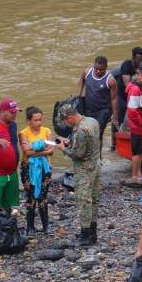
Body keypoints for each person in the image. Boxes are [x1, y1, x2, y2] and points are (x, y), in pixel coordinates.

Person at [56, 104, 101, 246]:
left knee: (84, 202)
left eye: (65, 121)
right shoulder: (92, 121)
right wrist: (71, 142)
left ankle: (85, 235)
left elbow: (78, 154)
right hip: (96, 166)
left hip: (84, 171)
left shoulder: (81, 130)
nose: (65, 124)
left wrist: (63, 148)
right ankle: (93, 233)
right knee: (93, 200)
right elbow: (89, 143)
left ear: (69, 118)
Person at [18, 106, 54, 235]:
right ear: (29, 121)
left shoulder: (47, 131)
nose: (38, 123)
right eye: (35, 120)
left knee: (43, 197)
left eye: (40, 120)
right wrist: (43, 150)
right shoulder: (23, 133)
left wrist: (35, 149)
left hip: (45, 168)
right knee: (31, 196)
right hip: (28, 168)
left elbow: (52, 150)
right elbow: (27, 152)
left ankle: (46, 226)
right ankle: (30, 227)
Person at [77, 55, 119, 155]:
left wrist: (115, 117)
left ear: (106, 68)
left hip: (103, 111)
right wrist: (78, 94)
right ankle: (87, 155)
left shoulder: (111, 80)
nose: (98, 71)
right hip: (88, 108)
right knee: (85, 133)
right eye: (96, 69)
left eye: (101, 70)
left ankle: (98, 158)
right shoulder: (87, 73)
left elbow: (114, 99)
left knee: (97, 134)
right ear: (93, 66)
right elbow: (82, 81)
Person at [111, 47, 142, 150]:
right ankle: (114, 144)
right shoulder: (127, 64)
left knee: (136, 119)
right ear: (133, 58)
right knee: (118, 119)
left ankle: (131, 141)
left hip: (136, 95)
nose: (140, 61)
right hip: (123, 95)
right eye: (138, 59)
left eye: (141, 58)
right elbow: (127, 85)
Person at [125, 62, 142, 186]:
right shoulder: (136, 89)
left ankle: (139, 174)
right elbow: (132, 112)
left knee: (140, 151)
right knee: (136, 152)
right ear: (137, 74)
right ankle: (134, 176)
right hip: (138, 127)